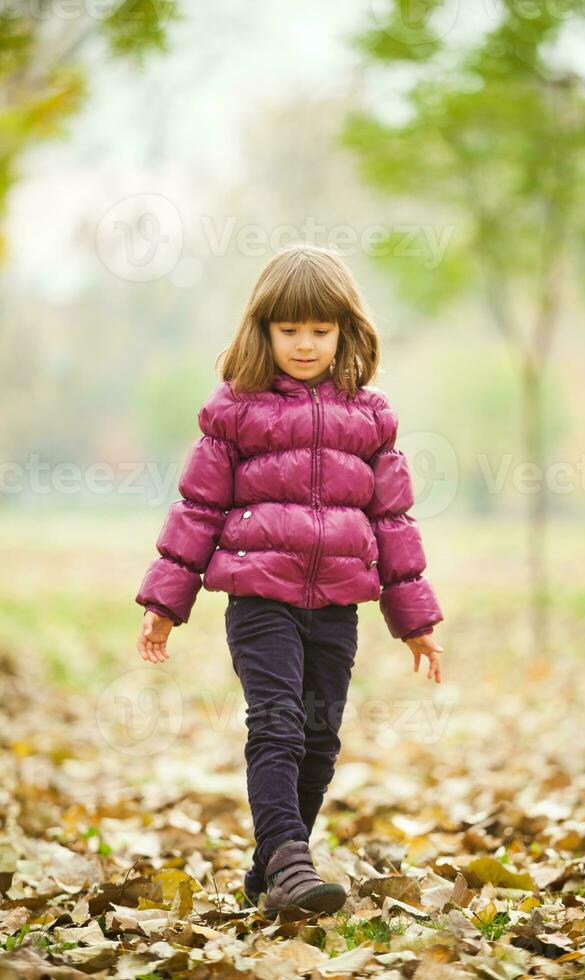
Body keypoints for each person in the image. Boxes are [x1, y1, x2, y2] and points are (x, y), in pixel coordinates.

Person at [134, 243, 445, 918]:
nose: (305, 345)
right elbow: (198, 509)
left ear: (345, 333)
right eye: (289, 330)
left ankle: (268, 873)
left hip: (338, 605)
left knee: (321, 734)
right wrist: (166, 601)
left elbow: (392, 520)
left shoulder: (371, 416)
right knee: (277, 725)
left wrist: (415, 621)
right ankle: (291, 860)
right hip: (259, 599)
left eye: (319, 330)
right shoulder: (236, 410)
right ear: (264, 330)